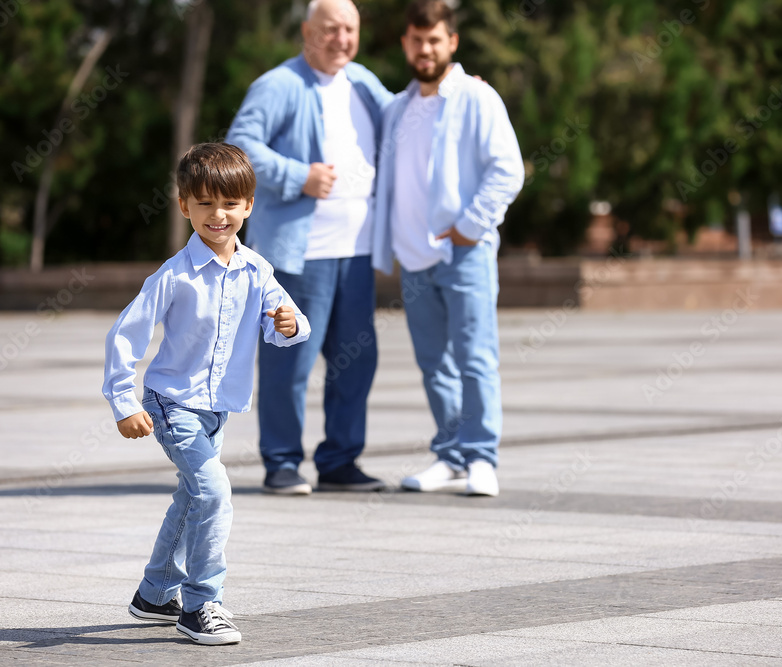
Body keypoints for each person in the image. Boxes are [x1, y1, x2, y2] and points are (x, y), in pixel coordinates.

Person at [102, 143, 311, 645]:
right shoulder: (173, 275)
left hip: (217, 409)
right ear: (183, 206)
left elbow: (290, 323)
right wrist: (124, 402)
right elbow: (125, 334)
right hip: (171, 404)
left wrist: (289, 322)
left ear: (249, 206)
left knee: (191, 497)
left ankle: (154, 594)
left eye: (229, 204)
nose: (218, 215)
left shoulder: (257, 270)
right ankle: (200, 605)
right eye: (204, 204)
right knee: (214, 492)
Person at [226, 0, 392, 495]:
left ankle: (340, 461)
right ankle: (281, 462)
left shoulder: (364, 83)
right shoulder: (278, 84)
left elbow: (408, 121)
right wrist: (300, 176)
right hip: (299, 255)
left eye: (350, 29)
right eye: (331, 29)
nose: (341, 38)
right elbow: (240, 144)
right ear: (306, 31)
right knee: (289, 359)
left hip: (358, 253)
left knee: (357, 360)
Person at [372, 0, 524, 496]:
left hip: (465, 254)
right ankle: (451, 454)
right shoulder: (397, 107)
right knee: (434, 362)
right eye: (416, 40)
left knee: (476, 357)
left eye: (434, 40)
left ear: (451, 42)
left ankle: (482, 457)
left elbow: (508, 169)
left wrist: (471, 225)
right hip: (415, 258)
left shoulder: (478, 98)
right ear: (405, 44)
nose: (425, 49)